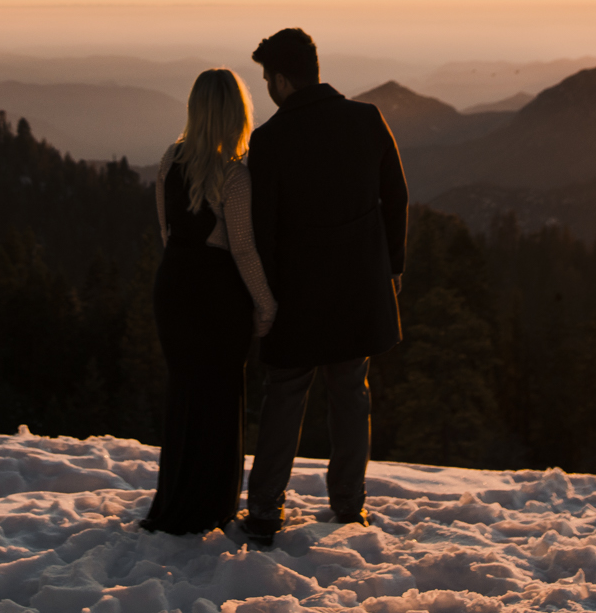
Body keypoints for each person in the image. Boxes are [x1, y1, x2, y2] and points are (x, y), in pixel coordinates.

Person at [239, 27, 407, 545]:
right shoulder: (367, 120)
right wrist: (391, 271)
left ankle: (266, 509)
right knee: (350, 396)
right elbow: (396, 198)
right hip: (359, 292)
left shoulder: (269, 141)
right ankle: (349, 508)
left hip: (295, 297)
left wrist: (261, 299)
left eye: (268, 78)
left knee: (285, 396)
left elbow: (261, 230)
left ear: (284, 80)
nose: (267, 87)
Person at [140, 68, 278, 535]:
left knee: (184, 395)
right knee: (220, 399)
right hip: (220, 298)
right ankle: (211, 505)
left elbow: (166, 231)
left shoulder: (168, 160)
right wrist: (266, 304)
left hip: (175, 288)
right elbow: (243, 249)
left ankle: (176, 499)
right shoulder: (234, 177)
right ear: (237, 112)